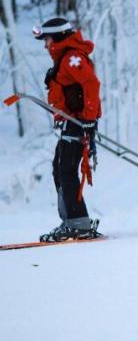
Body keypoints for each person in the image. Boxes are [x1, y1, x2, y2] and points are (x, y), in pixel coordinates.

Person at [33, 18, 102, 242]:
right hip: (71, 122)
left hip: (79, 122)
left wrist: (89, 120)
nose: (45, 45)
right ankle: (72, 221)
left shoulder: (72, 58)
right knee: (59, 168)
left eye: (48, 39)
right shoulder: (64, 59)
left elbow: (91, 85)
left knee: (66, 170)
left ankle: (78, 223)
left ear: (58, 38)